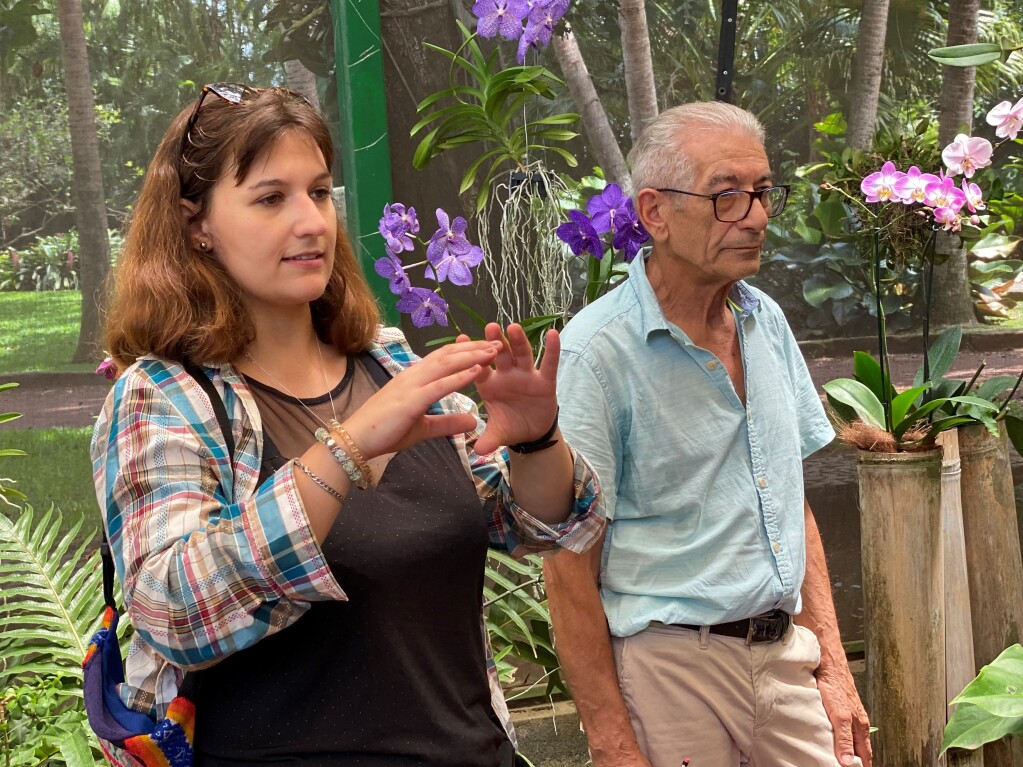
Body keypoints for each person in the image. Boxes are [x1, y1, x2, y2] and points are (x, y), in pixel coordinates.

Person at [90, 83, 605, 767]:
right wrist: (346, 449)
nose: (310, 222)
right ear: (196, 225)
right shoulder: (165, 397)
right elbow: (174, 611)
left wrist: (535, 436)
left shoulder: (385, 359)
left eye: (320, 192)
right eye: (271, 198)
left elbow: (526, 522)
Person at [543, 101, 871, 767]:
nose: (753, 215)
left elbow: (789, 498)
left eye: (760, 192)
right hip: (669, 673)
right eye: (726, 196)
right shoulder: (596, 354)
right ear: (655, 213)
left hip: (785, 658)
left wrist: (833, 668)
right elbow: (566, 561)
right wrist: (611, 741)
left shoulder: (765, 321)